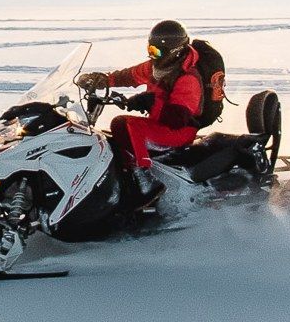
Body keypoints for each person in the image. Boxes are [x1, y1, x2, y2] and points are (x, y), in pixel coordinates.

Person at [76, 20, 202, 199]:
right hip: (157, 125)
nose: (152, 55)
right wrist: (103, 80)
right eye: (150, 50)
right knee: (108, 139)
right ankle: (120, 179)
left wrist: (151, 102)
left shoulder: (187, 77)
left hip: (180, 131)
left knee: (126, 124)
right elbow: (129, 75)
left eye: (156, 51)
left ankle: (145, 179)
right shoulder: (156, 67)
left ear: (173, 51)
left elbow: (177, 118)